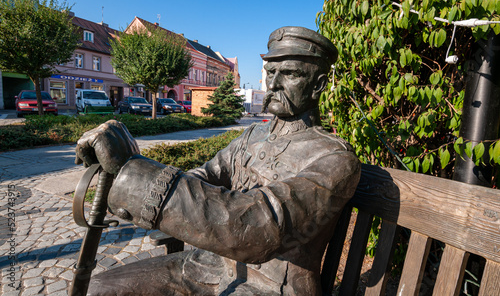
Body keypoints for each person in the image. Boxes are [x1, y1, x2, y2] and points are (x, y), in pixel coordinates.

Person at [75, 26, 361, 295]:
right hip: (211, 265)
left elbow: (260, 226)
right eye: (270, 71)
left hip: (271, 287)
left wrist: (135, 171)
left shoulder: (335, 159)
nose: (273, 83)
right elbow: (203, 176)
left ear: (318, 85)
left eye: (290, 74)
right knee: (99, 288)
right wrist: (133, 169)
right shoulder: (253, 135)